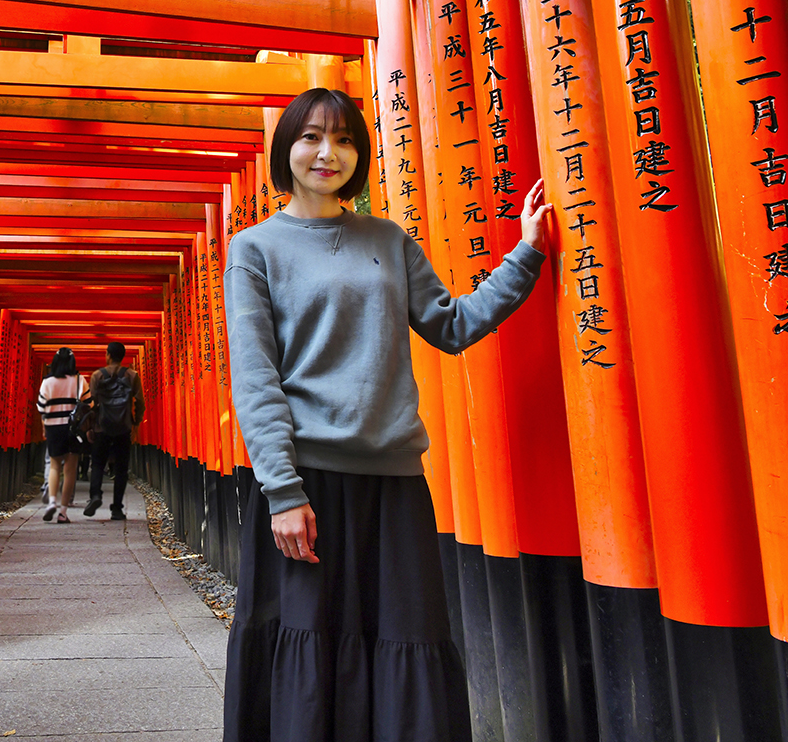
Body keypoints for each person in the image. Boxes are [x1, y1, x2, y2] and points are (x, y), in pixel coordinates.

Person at [221, 87, 552, 741]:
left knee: (407, 643)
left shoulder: (387, 241)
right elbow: (256, 380)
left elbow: (451, 325)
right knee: (309, 654)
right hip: (306, 486)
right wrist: (283, 492)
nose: (328, 153)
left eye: (344, 140)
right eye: (312, 137)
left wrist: (528, 252)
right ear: (285, 148)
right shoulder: (254, 249)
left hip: (395, 484)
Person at [82, 342, 145, 520]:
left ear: (108, 355)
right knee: (121, 468)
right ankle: (117, 508)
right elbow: (140, 402)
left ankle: (95, 496)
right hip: (123, 427)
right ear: (123, 356)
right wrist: (136, 422)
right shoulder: (132, 375)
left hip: (102, 427)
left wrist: (90, 428)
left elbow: (93, 405)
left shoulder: (97, 376)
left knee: (97, 464)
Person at [35, 347, 88, 523]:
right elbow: (89, 403)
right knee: (70, 470)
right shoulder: (80, 380)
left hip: (53, 427)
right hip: (72, 429)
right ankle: (63, 512)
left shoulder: (47, 382)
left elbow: (41, 407)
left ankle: (51, 502)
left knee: (55, 466)